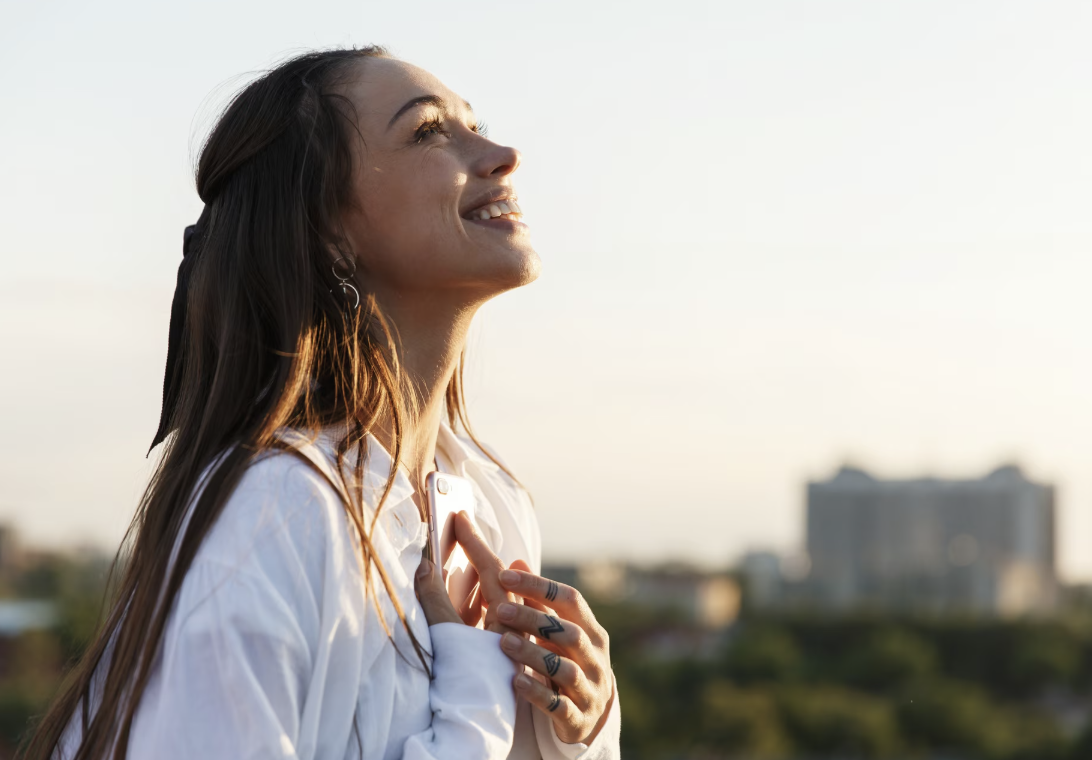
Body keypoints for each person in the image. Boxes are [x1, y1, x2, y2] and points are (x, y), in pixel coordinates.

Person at [21, 47, 620, 760]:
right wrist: (478, 698)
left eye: (476, 123)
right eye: (429, 132)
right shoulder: (275, 516)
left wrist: (580, 724)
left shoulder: (492, 505)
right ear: (328, 225)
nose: (503, 154)